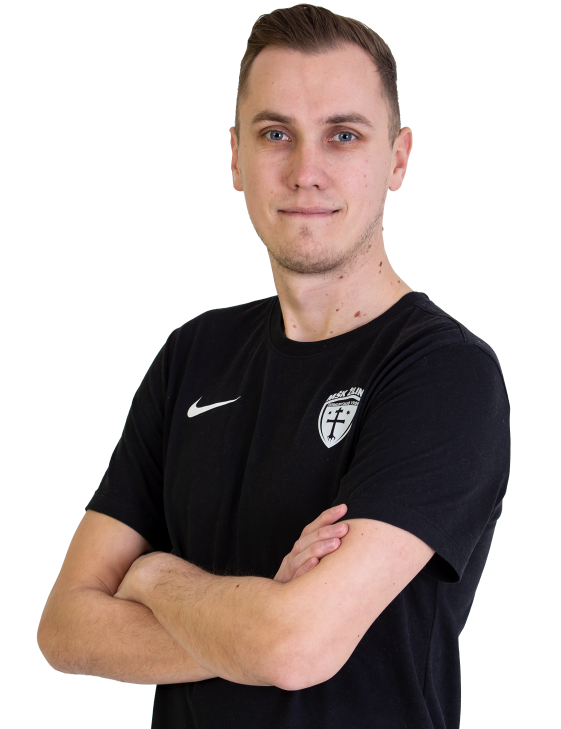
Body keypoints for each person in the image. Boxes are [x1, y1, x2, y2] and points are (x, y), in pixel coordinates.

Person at [37, 5, 510, 728]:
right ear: (235, 157)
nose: (304, 172)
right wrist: (257, 623)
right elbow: (65, 628)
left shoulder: (444, 373)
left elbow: (296, 647)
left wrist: (155, 576)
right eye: (276, 134)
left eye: (343, 135)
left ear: (397, 158)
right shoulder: (193, 354)